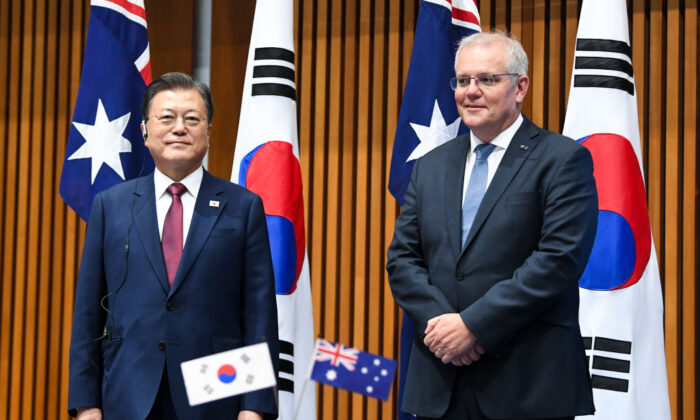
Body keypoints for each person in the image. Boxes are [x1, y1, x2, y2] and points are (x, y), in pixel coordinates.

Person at [386, 31, 598, 420]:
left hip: (528, 386)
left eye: (487, 79)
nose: (471, 91)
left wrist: (473, 326)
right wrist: (444, 328)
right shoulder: (430, 166)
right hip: (441, 383)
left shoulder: (562, 159)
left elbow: (559, 260)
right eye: (463, 80)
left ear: (520, 87)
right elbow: (402, 260)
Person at [68, 72, 278, 420]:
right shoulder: (110, 206)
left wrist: (254, 407)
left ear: (208, 132)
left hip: (216, 396)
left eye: (192, 119)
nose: (179, 128)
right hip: (128, 394)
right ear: (144, 130)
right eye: (166, 117)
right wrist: (86, 404)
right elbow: (88, 313)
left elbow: (259, 314)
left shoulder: (243, 207)